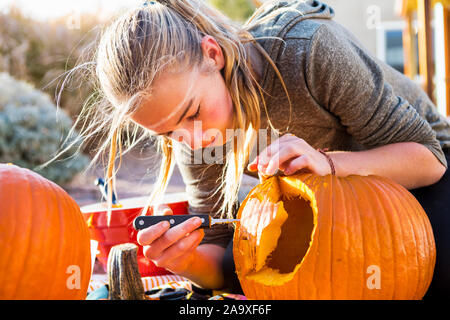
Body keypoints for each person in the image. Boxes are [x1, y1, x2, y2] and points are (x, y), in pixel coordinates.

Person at [76, 0, 450, 298]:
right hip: (335, 220)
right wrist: (185, 258)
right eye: (169, 134)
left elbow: (429, 161)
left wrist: (328, 163)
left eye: (192, 114)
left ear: (213, 55)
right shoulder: (193, 138)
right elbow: (227, 265)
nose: (192, 140)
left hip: (420, 183)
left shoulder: (311, 51)